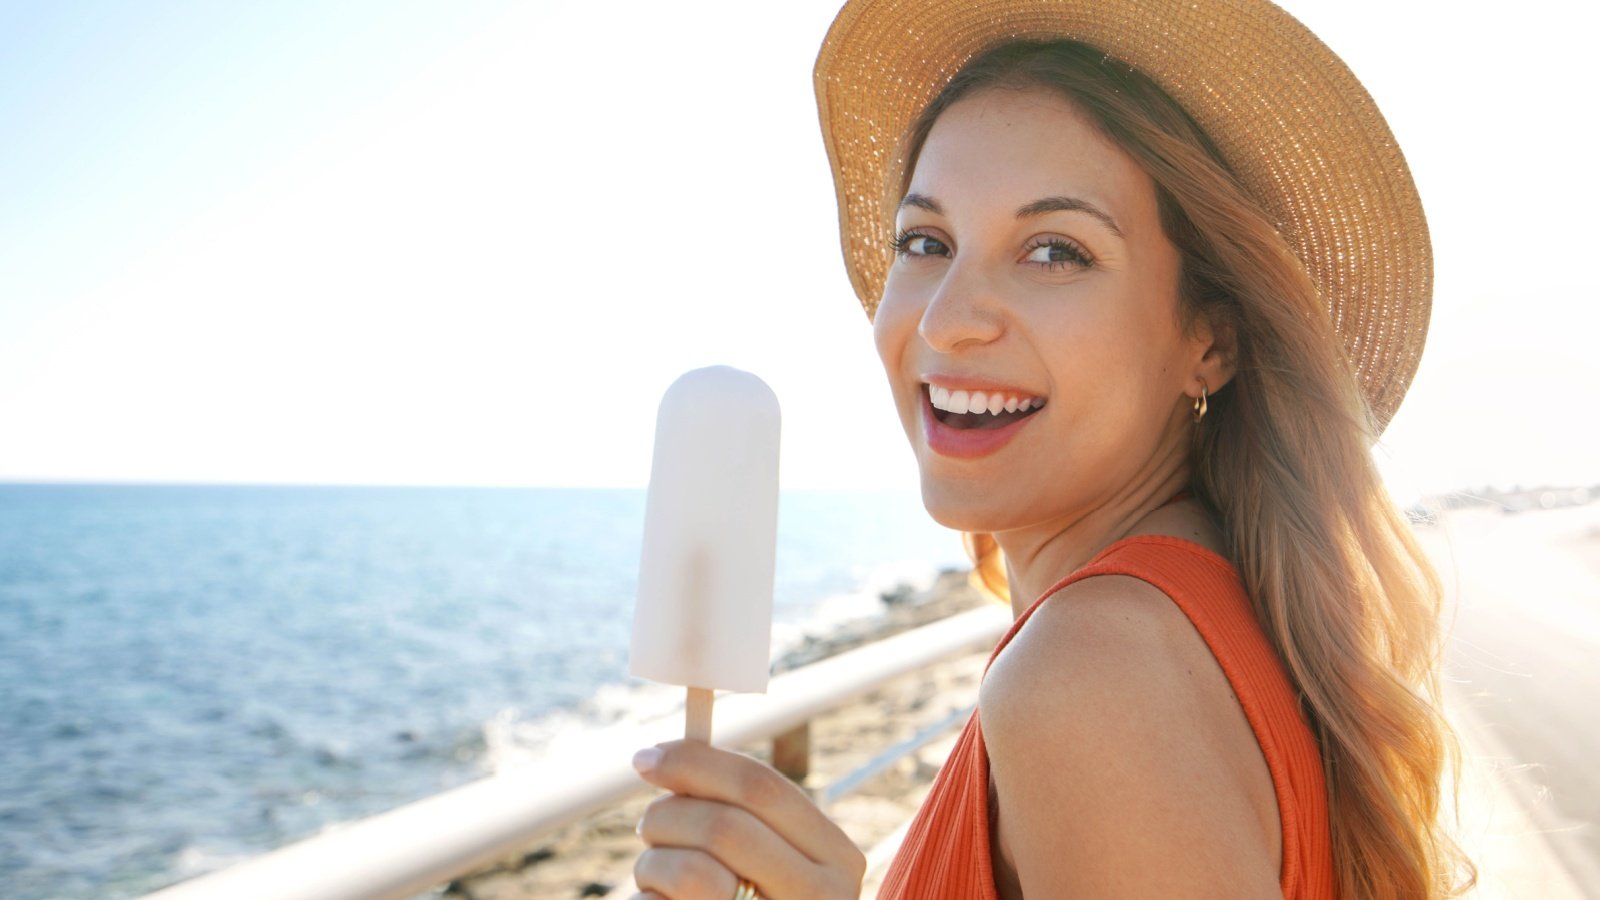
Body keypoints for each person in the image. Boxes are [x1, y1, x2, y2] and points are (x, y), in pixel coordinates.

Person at [630, 0, 1474, 897]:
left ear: (1210, 339)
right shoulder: (1202, 616)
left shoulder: (1089, 675)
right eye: (926, 241)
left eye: (1055, 253)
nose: (949, 321)